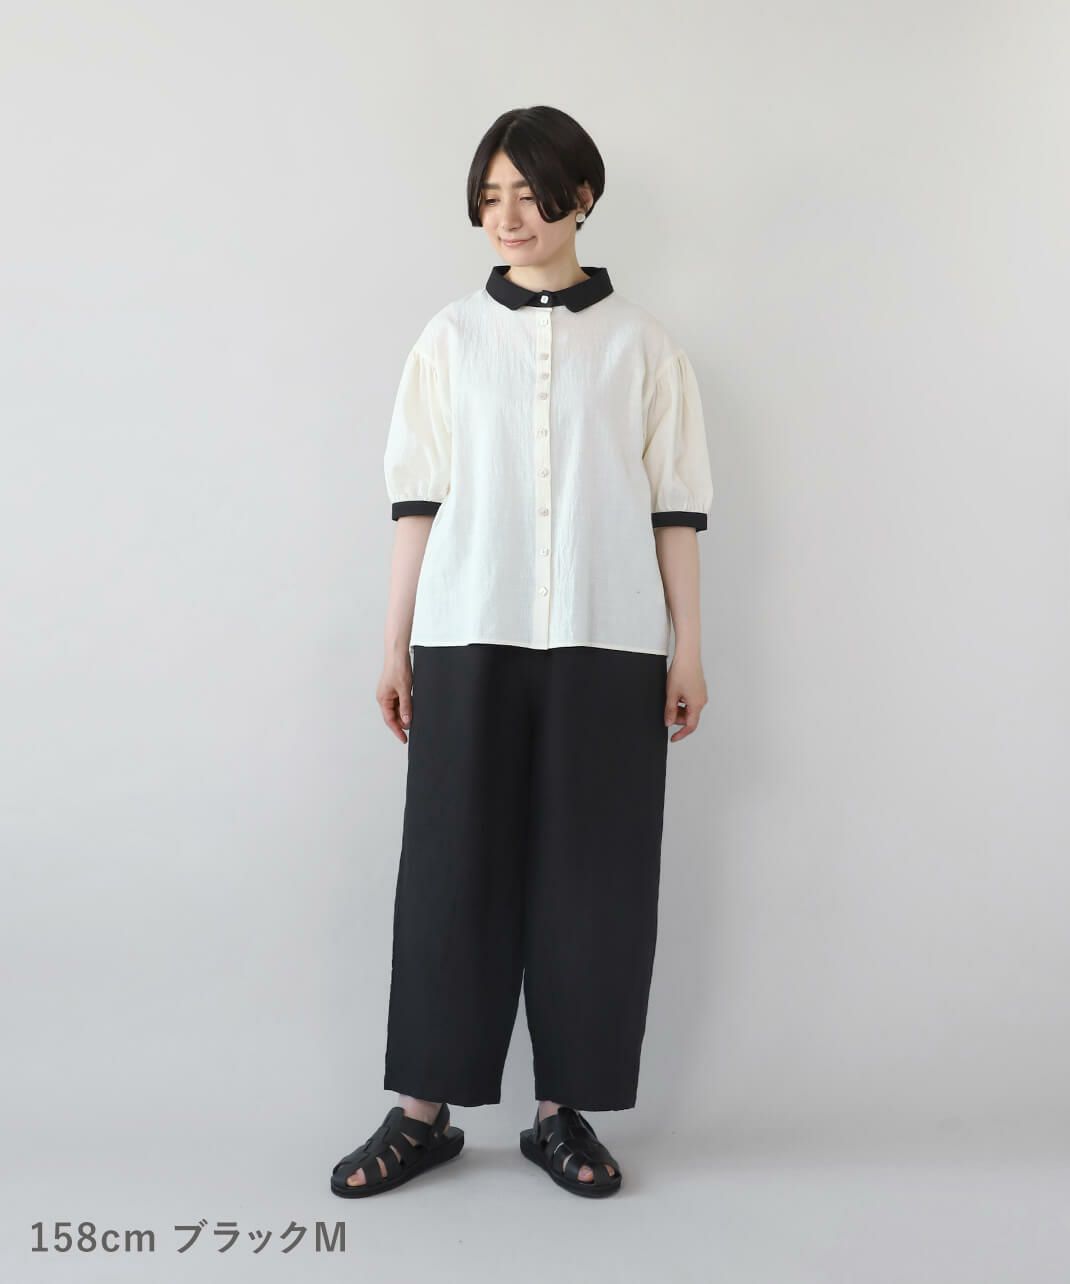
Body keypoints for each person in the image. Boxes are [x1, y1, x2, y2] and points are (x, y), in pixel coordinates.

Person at [330, 105, 713, 1200]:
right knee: (450, 867)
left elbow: (676, 509)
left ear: (579, 197)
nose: (507, 215)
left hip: (610, 637)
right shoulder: (449, 339)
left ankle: (562, 1114)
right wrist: (395, 642)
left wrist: (688, 649)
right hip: (467, 629)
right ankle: (422, 1113)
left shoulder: (643, 346)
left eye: (528, 193)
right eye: (489, 196)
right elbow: (417, 498)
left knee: (595, 876)